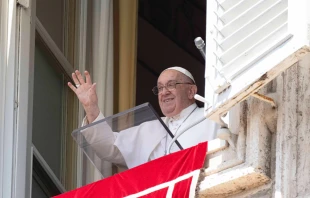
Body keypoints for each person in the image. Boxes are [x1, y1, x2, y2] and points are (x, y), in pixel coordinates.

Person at [68, 67, 217, 169]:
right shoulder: (150, 128)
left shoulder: (212, 117)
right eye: (160, 88)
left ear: (191, 91)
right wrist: (91, 108)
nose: (164, 92)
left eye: (171, 85)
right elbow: (109, 148)